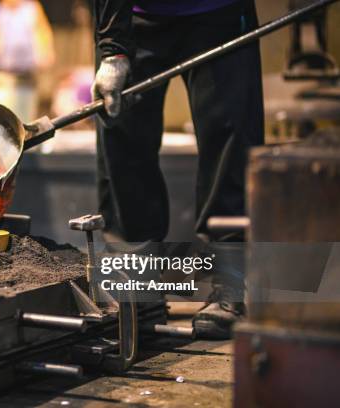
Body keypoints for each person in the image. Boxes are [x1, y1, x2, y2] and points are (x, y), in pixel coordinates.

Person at [92, 0, 264, 339]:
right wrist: (113, 50)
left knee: (230, 137)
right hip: (134, 18)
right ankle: (134, 286)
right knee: (123, 138)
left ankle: (228, 286)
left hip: (221, 12)